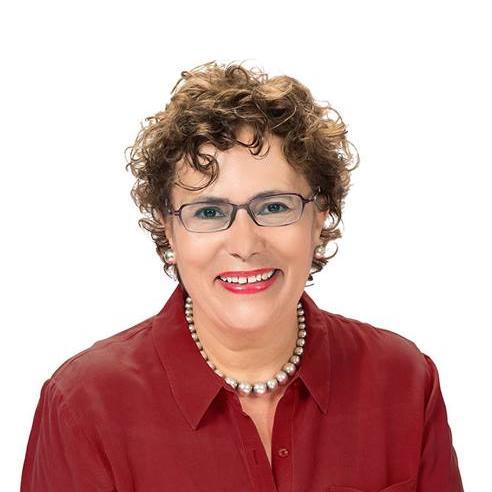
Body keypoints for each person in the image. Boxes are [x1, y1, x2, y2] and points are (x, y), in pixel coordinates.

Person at [21, 61, 464, 491]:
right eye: (208, 212)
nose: (245, 243)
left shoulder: (404, 382)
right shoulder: (84, 407)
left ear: (319, 218)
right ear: (169, 229)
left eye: (274, 206)